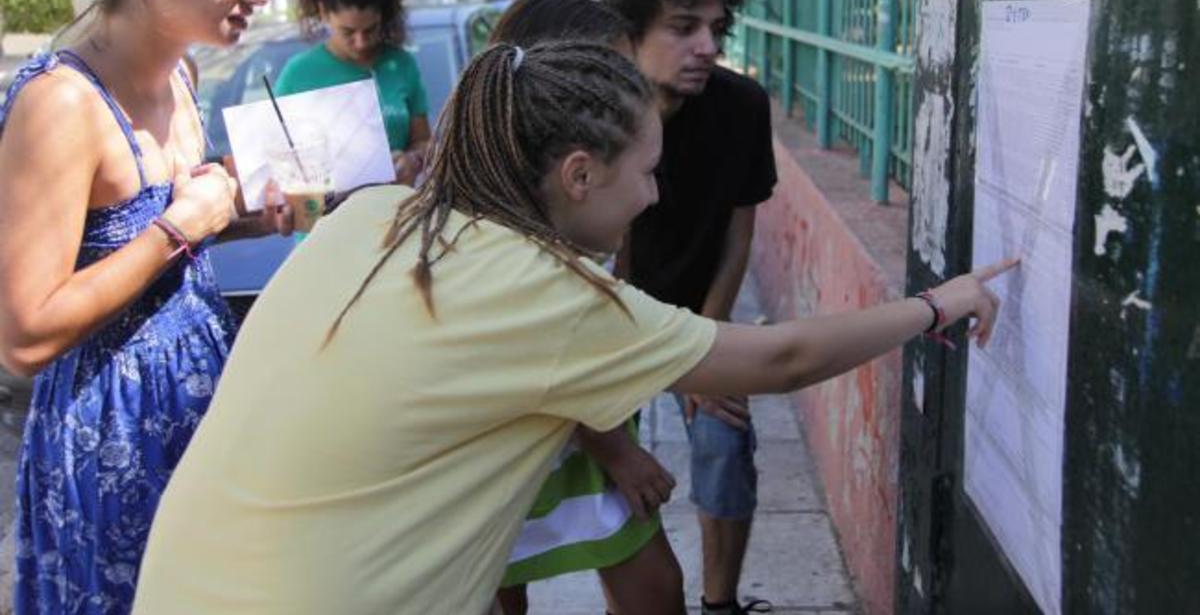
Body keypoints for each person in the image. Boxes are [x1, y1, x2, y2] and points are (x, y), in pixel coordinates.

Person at [131, 40, 1013, 615]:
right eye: (649, 173)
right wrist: (941, 303)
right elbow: (776, 358)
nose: (658, 195)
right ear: (582, 175)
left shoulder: (377, 216)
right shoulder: (550, 296)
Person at [0, 0, 279, 611]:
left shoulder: (182, 71)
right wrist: (183, 225)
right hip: (110, 443)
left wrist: (243, 214)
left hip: (193, 415)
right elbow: (23, 335)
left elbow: (171, 235)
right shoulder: (60, 104)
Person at [488, 0, 685, 615]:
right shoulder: (501, 215)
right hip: (523, 434)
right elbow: (535, 356)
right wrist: (618, 452)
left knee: (654, 588)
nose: (624, 92)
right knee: (498, 588)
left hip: (592, 414)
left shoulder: (598, 180)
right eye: (607, 75)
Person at [603, 0, 773, 615]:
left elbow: (739, 232)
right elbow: (601, 261)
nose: (707, 45)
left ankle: (721, 603)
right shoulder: (597, 111)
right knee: (599, 472)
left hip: (696, 309)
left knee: (725, 431)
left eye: (716, 28)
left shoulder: (742, 106)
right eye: (683, 27)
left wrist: (706, 347)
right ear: (634, 31)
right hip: (606, 318)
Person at [274, 0, 430, 185]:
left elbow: (424, 142)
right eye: (347, 32)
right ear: (323, 12)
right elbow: (277, 158)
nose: (361, 42)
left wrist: (413, 160)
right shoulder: (297, 74)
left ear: (383, 13)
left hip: (395, 215)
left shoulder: (401, 64)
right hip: (326, 221)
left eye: (370, 29)